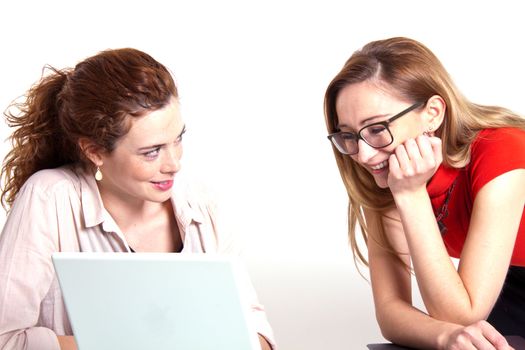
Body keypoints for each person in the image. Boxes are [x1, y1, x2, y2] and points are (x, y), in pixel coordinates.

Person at [0, 48, 275, 350]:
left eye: (178, 139)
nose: (174, 164)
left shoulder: (202, 206)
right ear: (94, 151)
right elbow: (5, 339)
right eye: (151, 151)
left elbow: (255, 327)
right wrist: (133, 343)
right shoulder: (50, 198)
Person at [324, 37, 525, 350]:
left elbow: (464, 314)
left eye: (376, 129)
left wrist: (410, 195)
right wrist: (443, 336)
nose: (363, 154)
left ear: (433, 113)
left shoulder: (504, 151)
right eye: (348, 136)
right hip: (509, 283)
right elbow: (391, 311)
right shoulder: (386, 173)